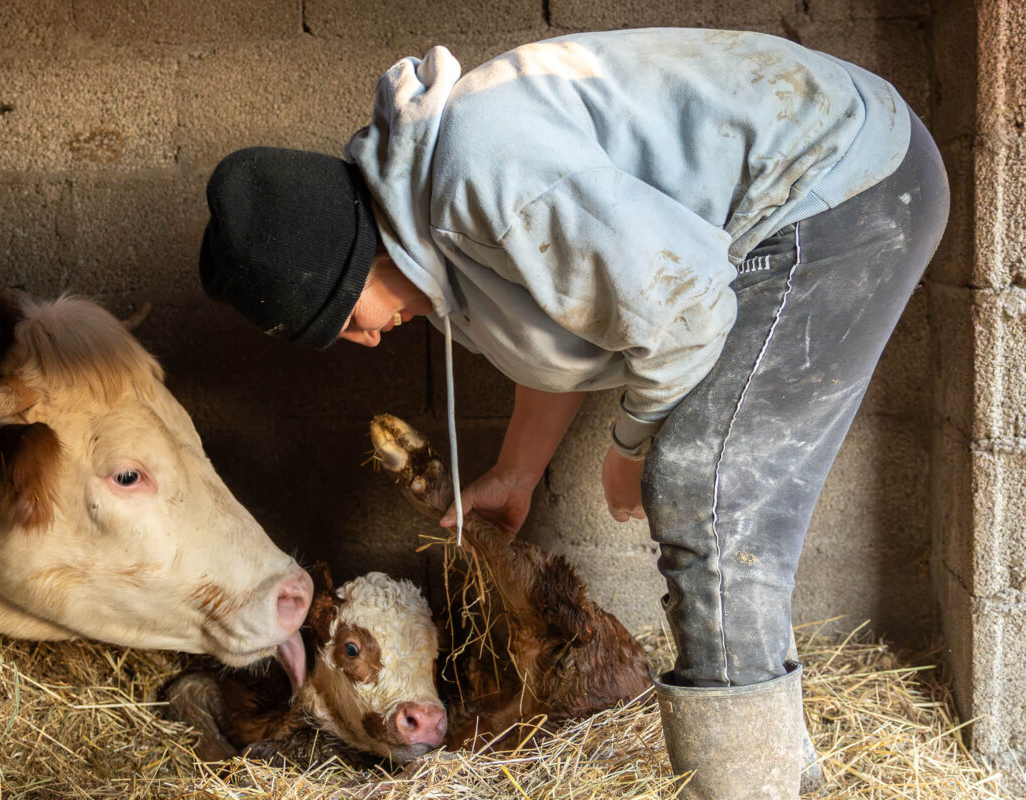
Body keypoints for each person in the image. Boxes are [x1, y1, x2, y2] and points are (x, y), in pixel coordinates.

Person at [197, 28, 949, 799]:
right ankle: (782, 778)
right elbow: (582, 308)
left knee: (701, 483)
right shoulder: (442, 233)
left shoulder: (479, 174)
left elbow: (684, 310)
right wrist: (518, 471)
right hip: (813, 199)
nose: (360, 340)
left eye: (342, 315)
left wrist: (630, 447)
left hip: (839, 183)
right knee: (717, 491)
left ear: (357, 258)